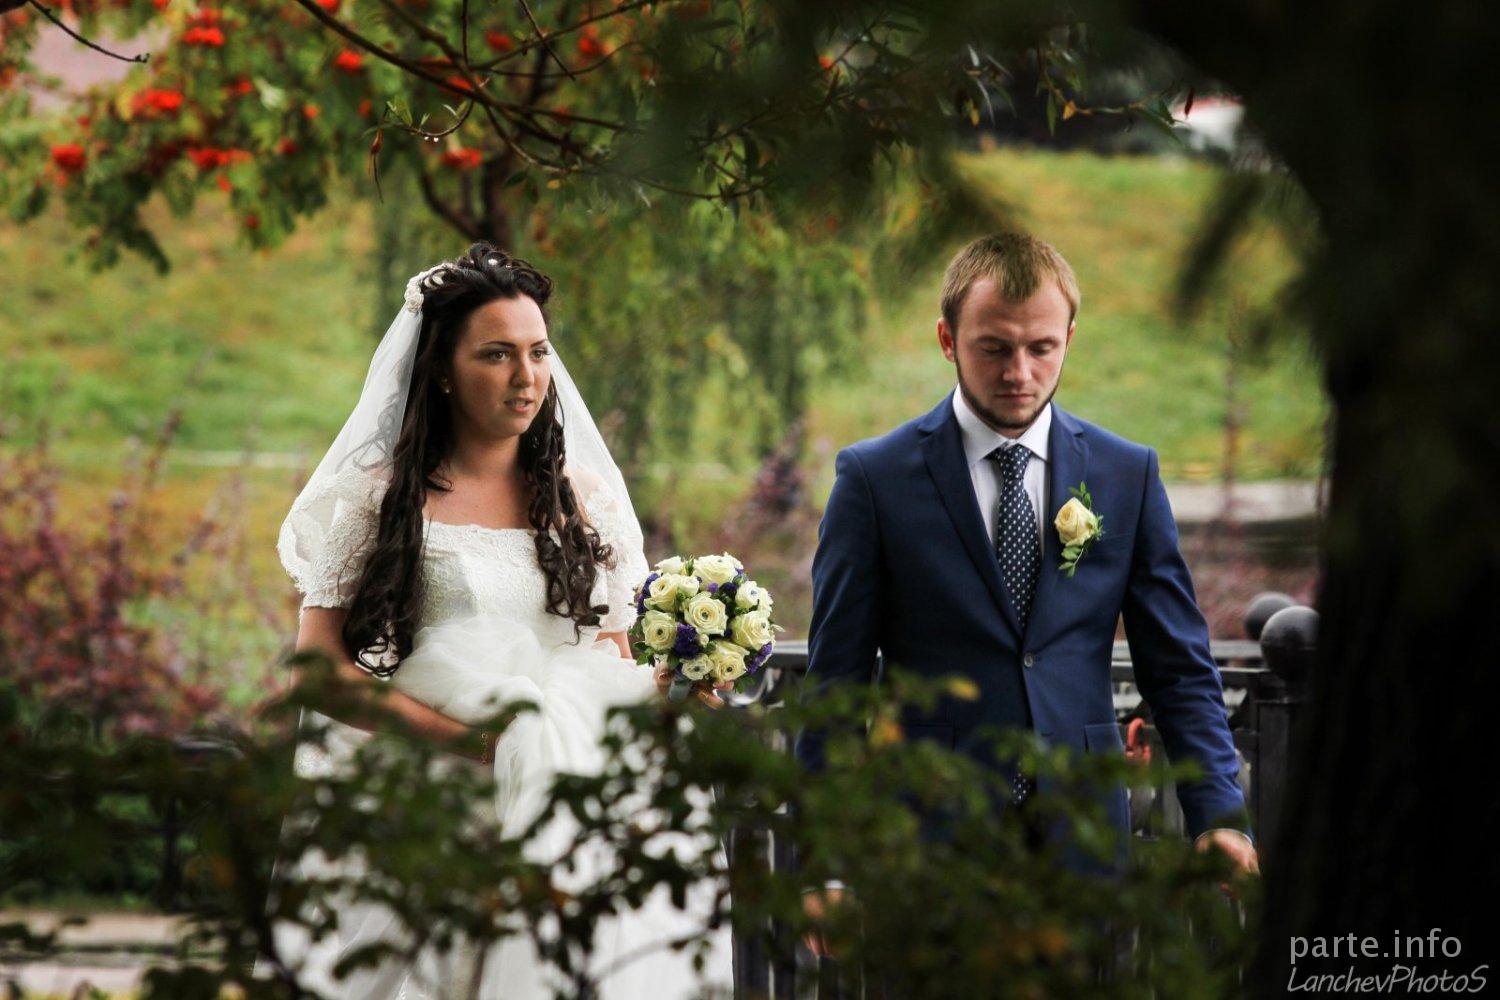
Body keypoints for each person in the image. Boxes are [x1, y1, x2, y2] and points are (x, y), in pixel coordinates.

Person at [256, 243, 734, 997]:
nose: (526, 376)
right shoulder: (376, 499)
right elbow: (318, 672)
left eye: (538, 352)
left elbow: (612, 657)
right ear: (443, 370)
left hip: (573, 801)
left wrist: (675, 685)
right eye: (497, 354)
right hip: (434, 804)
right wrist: (475, 743)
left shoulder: (584, 500)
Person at [796, 232, 1259, 954]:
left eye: (1042, 348)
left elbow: (1179, 669)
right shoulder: (873, 480)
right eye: (994, 348)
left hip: (1085, 849)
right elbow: (836, 685)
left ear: (1070, 339)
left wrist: (1219, 818)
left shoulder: (1126, 474)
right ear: (947, 340)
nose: (1020, 372)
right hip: (926, 845)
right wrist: (826, 865)